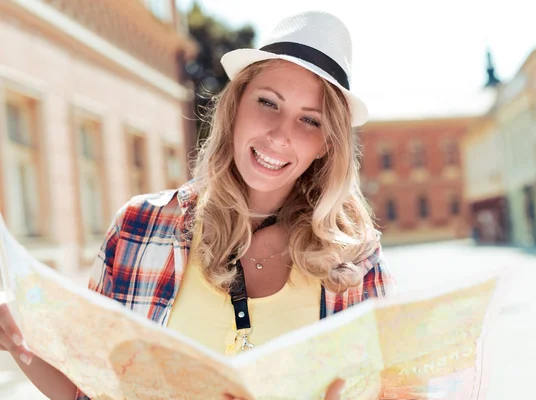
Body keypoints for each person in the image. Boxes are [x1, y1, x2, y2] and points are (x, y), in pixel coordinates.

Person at [0, 10, 396, 400]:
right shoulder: (141, 226)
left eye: (309, 121)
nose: (280, 135)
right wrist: (18, 339)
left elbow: (396, 393)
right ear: (237, 104)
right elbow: (89, 389)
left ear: (327, 144)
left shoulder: (355, 257)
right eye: (268, 103)